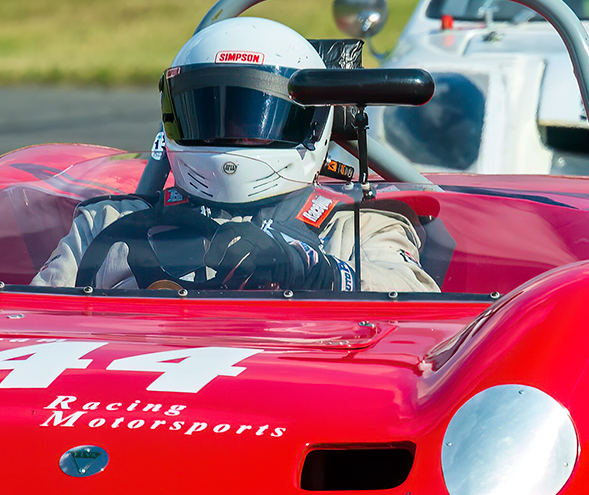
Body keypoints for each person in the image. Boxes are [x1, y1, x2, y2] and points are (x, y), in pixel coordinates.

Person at [32, 17, 439, 293]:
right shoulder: (107, 222)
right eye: (210, 115)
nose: (231, 136)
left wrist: (316, 271)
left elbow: (414, 304)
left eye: (249, 121)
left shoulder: (359, 225)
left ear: (312, 123)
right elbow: (26, 323)